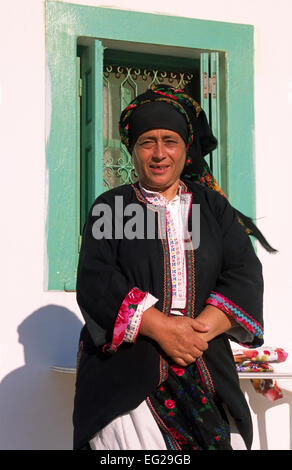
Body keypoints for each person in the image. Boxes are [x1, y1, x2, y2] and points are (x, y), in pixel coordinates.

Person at [73, 84, 271, 451]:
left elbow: (243, 273)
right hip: (128, 373)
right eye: (147, 142)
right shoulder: (111, 208)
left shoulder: (213, 208)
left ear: (185, 149)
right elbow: (96, 279)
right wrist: (163, 329)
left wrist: (196, 332)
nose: (159, 153)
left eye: (170, 141)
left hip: (204, 360)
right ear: (132, 150)